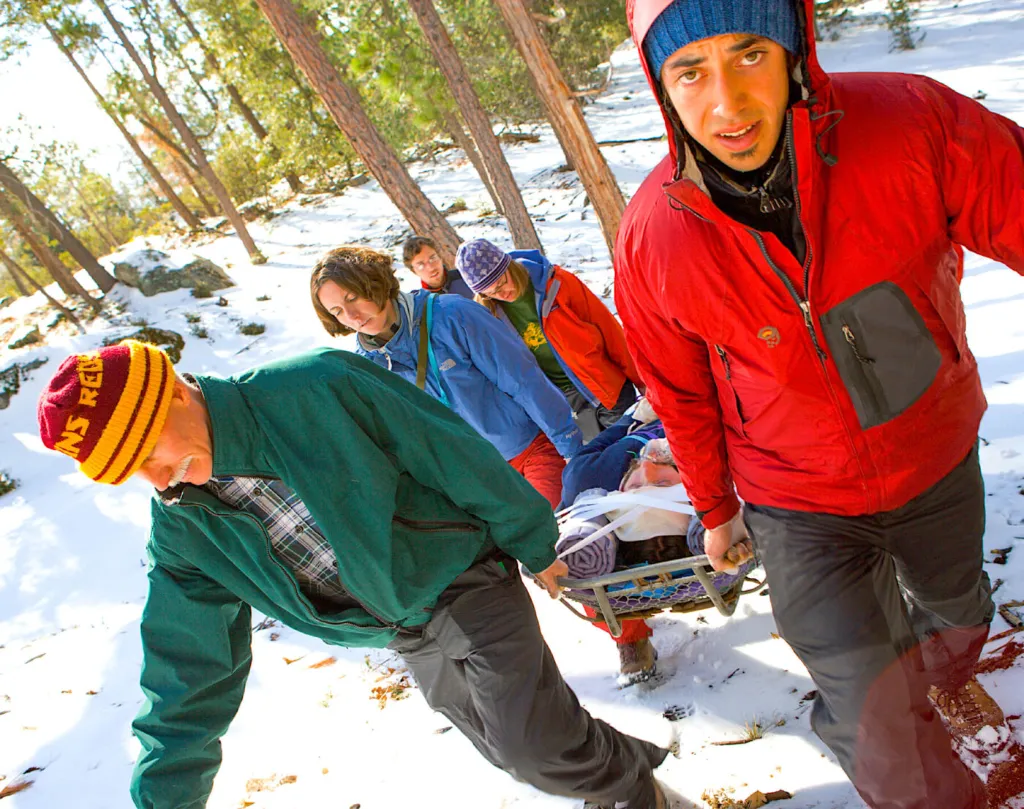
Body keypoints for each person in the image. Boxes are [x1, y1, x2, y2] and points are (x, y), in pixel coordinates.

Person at [615, 1, 1024, 807]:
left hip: (932, 453)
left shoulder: (911, 124)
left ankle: (950, 674)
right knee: (873, 713)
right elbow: (681, 392)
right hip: (796, 501)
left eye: (748, 54)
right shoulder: (654, 235)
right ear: (662, 88)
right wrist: (715, 505)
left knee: (955, 602)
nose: (726, 104)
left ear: (794, 47)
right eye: (690, 72)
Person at [36, 340, 674, 809]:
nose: (156, 478)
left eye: (150, 452)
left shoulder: (313, 388)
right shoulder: (183, 527)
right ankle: (615, 770)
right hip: (401, 628)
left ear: (174, 390)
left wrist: (533, 542)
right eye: (133, 474)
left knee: (530, 742)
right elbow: (185, 670)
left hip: (465, 577)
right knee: (507, 748)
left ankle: (634, 791)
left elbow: (449, 449)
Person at [310, 245, 582, 508]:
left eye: (353, 298)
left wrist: (570, 447)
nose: (352, 316)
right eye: (337, 312)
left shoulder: (453, 314)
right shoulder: (366, 367)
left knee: (553, 539)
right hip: (476, 483)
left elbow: (524, 380)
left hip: (532, 451)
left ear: (376, 283)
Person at [456, 238, 642, 441]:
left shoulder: (558, 284)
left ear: (510, 265)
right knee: (601, 465)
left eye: (502, 283)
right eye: (491, 293)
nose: (502, 294)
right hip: (565, 406)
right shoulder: (489, 314)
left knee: (634, 454)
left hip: (608, 390)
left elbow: (610, 332)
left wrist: (642, 380)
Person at [402, 235, 474, 299]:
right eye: (421, 265)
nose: (431, 268)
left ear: (440, 257)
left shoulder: (468, 277)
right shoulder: (419, 304)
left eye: (432, 258)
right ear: (414, 271)